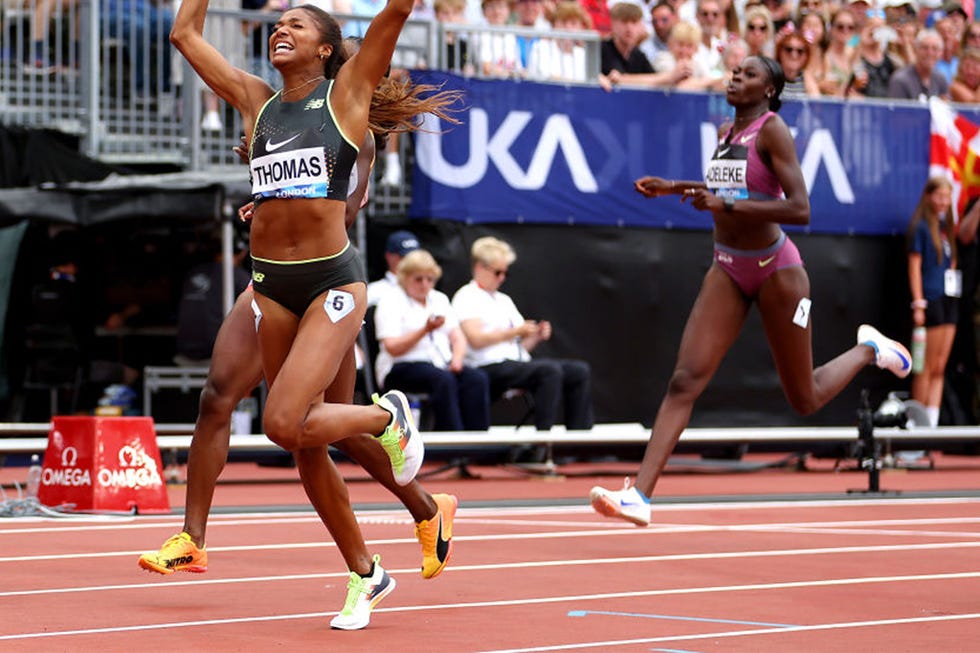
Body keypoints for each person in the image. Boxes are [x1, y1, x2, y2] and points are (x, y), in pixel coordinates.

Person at [166, 0, 459, 629]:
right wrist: (267, 201)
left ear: (325, 48)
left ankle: (391, 415)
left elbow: (399, 10)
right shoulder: (258, 103)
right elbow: (183, 33)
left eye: (297, 24)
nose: (281, 29)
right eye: (277, 23)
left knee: (283, 422)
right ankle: (368, 571)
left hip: (330, 283)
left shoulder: (348, 95)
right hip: (271, 286)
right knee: (307, 441)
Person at [589, 55, 913, 527]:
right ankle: (639, 495)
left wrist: (724, 205)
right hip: (727, 268)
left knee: (804, 399)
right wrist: (674, 186)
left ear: (770, 91)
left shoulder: (773, 129)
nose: (737, 76)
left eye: (750, 74)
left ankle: (868, 349)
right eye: (736, 70)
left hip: (777, 272)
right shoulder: (727, 131)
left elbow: (799, 208)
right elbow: (734, 193)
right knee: (685, 380)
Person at [451, 236, 595, 431]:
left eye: (505, 273)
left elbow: (518, 347)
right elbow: (475, 340)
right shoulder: (466, 296)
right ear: (480, 268)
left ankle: (579, 440)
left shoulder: (504, 300)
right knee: (549, 371)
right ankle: (541, 444)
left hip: (514, 364)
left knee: (579, 371)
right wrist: (515, 332)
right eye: (497, 272)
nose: (502, 277)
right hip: (486, 366)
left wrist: (535, 336)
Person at [375, 249, 491, 430]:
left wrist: (457, 360)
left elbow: (457, 336)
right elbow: (392, 347)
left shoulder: (439, 299)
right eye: (418, 279)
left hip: (439, 364)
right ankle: (453, 442)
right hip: (401, 366)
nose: (424, 284)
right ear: (405, 278)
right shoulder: (390, 301)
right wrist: (424, 330)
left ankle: (478, 442)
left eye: (430, 279)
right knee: (442, 379)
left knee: (476, 378)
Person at [908, 177, 959, 428]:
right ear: (929, 196)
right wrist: (919, 302)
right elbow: (915, 266)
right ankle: (917, 428)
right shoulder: (921, 227)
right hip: (932, 299)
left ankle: (932, 426)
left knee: (940, 367)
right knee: (926, 367)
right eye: (939, 196)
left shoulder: (946, 227)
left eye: (948, 197)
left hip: (950, 298)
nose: (943, 202)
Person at [174, 234, 251, 365]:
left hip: (184, 351)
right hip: (216, 354)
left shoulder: (193, 273)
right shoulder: (240, 277)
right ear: (243, 253)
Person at [888, 29, 950, 100]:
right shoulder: (900, 80)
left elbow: (946, 106)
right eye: (925, 48)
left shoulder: (940, 79)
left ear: (941, 53)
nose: (930, 53)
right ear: (916, 50)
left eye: (935, 49)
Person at [367, 229, 420, 307]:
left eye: (415, 258)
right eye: (404, 257)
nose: (410, 262)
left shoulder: (430, 292)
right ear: (388, 256)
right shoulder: (374, 292)